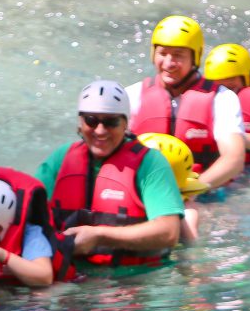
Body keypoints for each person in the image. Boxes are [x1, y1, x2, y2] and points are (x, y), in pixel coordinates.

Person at [36, 80, 188, 266]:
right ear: (80, 122)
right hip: (70, 277)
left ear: (125, 123)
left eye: (111, 122)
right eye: (91, 120)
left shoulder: (150, 163)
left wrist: (100, 236)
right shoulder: (61, 159)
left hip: (136, 281)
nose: (100, 131)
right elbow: (27, 211)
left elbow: (168, 232)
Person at [125, 15, 246, 190]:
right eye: (163, 53)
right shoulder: (132, 95)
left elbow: (234, 159)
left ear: (195, 58)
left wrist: (192, 190)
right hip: (146, 190)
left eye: (178, 55)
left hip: (206, 193)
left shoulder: (222, 99)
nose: (168, 63)